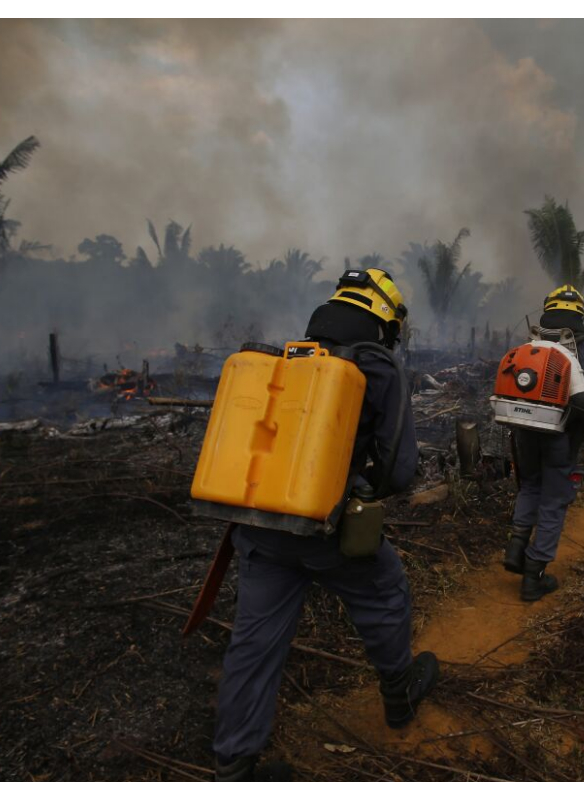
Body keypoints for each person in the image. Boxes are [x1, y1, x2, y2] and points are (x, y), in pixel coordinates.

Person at [213, 268, 437, 781]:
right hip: (328, 531)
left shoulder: (287, 360)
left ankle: (234, 763)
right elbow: (400, 471)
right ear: (385, 319)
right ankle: (399, 693)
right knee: (384, 591)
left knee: (254, 641)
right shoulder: (375, 364)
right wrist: (364, 485)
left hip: (260, 527)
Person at [502, 285, 584, 601]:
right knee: (554, 499)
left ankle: (516, 549)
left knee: (530, 486)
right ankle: (534, 576)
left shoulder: (532, 344)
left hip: (525, 430)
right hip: (562, 436)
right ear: (581, 315)